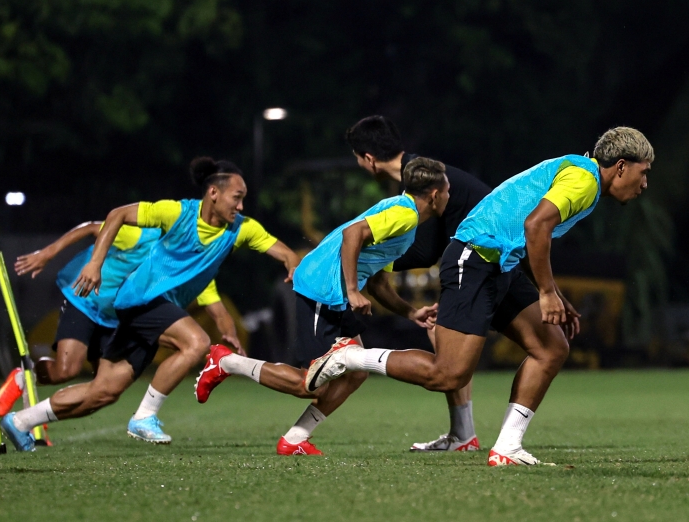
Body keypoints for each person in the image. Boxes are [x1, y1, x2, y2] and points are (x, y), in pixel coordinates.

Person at [306, 127, 654, 466]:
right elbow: (536, 226)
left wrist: (555, 295)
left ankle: (507, 447)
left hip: (500, 263)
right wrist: (546, 292)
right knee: (447, 375)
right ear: (621, 166)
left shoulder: (580, 174)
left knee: (551, 348)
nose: (645, 183)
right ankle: (350, 358)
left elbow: (528, 233)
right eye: (644, 172)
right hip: (473, 259)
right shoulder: (585, 180)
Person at [0, 158, 300, 451]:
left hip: (139, 312)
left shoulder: (241, 229)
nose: (241, 206)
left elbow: (284, 254)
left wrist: (293, 268)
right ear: (213, 193)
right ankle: (144, 416)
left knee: (102, 393)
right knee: (196, 343)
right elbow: (115, 215)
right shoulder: (175, 212)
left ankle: (22, 420)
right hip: (140, 299)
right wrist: (94, 263)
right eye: (237, 197)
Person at [194, 157, 448, 455]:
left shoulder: (406, 222)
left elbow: (378, 281)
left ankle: (294, 439)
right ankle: (226, 362)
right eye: (447, 189)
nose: (449, 195)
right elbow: (352, 235)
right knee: (308, 385)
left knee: (356, 372)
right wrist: (353, 290)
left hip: (335, 292)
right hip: (323, 289)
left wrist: (410, 312)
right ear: (433, 194)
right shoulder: (404, 214)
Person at [346, 115, 491, 452]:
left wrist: (372, 258)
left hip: (486, 263)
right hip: (487, 261)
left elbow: (425, 251)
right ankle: (465, 436)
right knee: (544, 347)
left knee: (447, 346)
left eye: (356, 157)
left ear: (368, 158)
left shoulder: (420, 182)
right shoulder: (421, 173)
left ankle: (481, 438)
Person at [0, 221, 239, 413]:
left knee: (103, 391)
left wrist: (231, 337)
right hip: (83, 299)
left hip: (114, 318)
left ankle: (32, 418)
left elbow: (217, 308)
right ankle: (24, 375)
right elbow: (91, 227)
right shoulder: (145, 236)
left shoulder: (188, 267)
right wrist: (47, 253)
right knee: (66, 370)